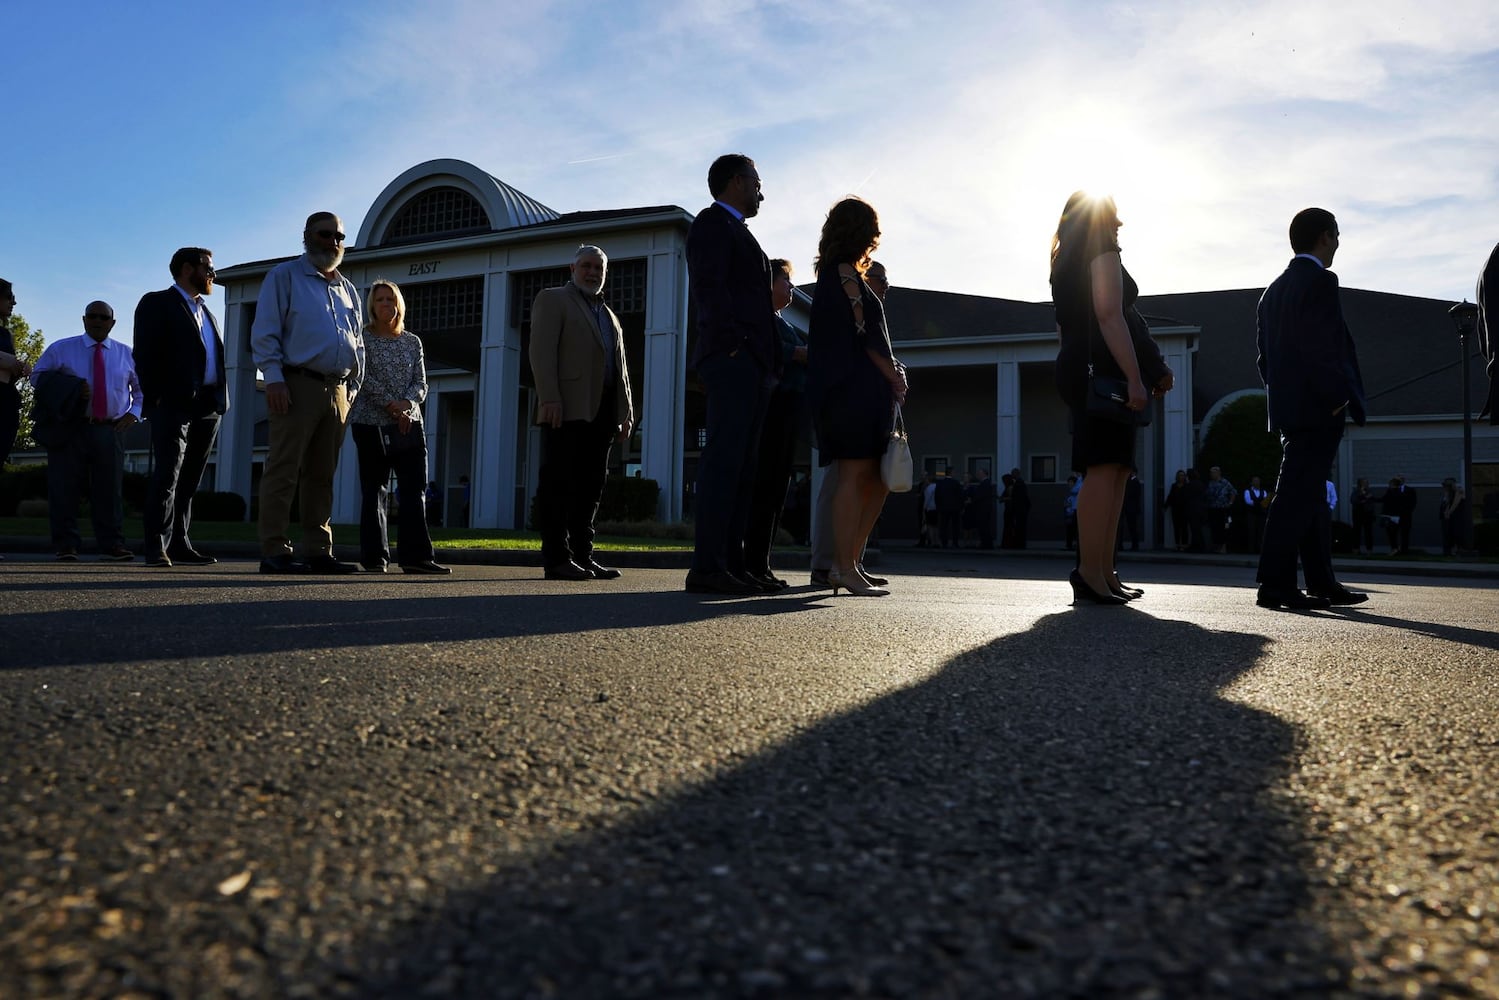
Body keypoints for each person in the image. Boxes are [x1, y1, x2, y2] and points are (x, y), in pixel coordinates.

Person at [1049, 191, 1172, 605]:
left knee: (1116, 471)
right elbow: (1110, 314)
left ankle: (1104, 572)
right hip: (1101, 371)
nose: (1120, 223)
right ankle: (1089, 573)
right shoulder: (1100, 248)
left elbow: (1067, 329)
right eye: (1114, 215)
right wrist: (1136, 377)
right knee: (1105, 470)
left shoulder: (1064, 258)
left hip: (1082, 367)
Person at [1254, 207, 1368, 609]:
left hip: (1289, 407)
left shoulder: (1272, 291)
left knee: (1311, 493)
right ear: (1324, 236)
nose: (1337, 244)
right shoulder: (1321, 281)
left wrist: (1285, 395)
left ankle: (1322, 581)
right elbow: (1322, 346)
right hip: (1320, 406)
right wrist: (1337, 397)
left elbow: (1265, 359)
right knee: (1295, 494)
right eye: (1336, 236)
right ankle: (1274, 584)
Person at [683, 154, 780, 596]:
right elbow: (709, 288)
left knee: (744, 468)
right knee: (724, 463)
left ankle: (735, 566)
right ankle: (707, 566)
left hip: (754, 366)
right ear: (737, 181)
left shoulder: (741, 232)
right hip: (731, 360)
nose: (762, 191)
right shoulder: (710, 225)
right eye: (757, 182)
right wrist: (733, 346)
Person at [251, 211, 364, 574]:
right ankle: (275, 550)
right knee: (283, 469)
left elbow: (357, 343)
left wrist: (353, 388)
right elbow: (266, 331)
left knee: (322, 475)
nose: (333, 242)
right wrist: (274, 378)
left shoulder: (347, 289)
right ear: (307, 236)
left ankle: (318, 551)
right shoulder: (284, 277)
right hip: (295, 383)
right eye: (325, 234)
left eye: (339, 236)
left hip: (338, 391)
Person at [806, 197, 906, 596]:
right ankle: (843, 566)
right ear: (860, 231)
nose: (876, 237)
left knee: (877, 479)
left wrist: (891, 377)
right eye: (872, 229)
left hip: (863, 393)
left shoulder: (847, 276)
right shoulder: (845, 274)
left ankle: (848, 561)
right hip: (850, 392)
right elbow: (865, 339)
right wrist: (895, 377)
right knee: (853, 476)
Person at [529, 245, 633, 581]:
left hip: (602, 412)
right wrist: (549, 398)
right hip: (565, 408)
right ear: (572, 268)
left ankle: (584, 557)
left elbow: (620, 368)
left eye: (599, 269)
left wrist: (626, 411)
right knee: (558, 484)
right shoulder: (553, 298)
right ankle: (557, 559)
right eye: (587, 266)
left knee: (591, 487)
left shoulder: (609, 315)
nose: (593, 273)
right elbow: (541, 352)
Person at [132, 248, 228, 567]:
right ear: (188, 269)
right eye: (208, 268)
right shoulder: (157, 302)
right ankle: (155, 545)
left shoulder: (207, 312)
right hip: (172, 403)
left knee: (189, 479)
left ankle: (178, 543)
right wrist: (154, 395)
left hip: (208, 405)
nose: (213, 274)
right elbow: (144, 352)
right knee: (168, 474)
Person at [348, 278, 448, 575]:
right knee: (374, 491)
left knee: (414, 490)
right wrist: (390, 405)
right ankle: (375, 558)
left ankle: (417, 557)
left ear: (399, 304)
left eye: (391, 299)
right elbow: (362, 377)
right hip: (370, 424)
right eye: (380, 300)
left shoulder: (411, 341)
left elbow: (421, 383)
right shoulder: (362, 339)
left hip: (409, 425)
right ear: (372, 306)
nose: (386, 305)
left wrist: (405, 404)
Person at [29, 302, 142, 561]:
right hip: (70, 427)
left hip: (110, 428)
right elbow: (37, 377)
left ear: (113, 323)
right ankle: (66, 544)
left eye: (103, 317)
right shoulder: (62, 349)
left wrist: (133, 414)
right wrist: (71, 388)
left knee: (109, 490)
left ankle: (112, 544)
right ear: (83, 319)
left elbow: (140, 390)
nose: (97, 321)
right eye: (92, 316)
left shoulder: (127, 354)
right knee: (64, 487)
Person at [810, 259, 891, 587]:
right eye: (879, 278)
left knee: (868, 482)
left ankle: (851, 561)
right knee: (840, 484)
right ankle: (827, 564)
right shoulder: (845, 291)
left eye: (887, 280)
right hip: (849, 405)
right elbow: (859, 347)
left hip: (868, 403)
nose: (885, 285)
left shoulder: (872, 308)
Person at [744, 258, 806, 589]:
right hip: (771, 410)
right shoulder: (759, 319)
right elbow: (763, 350)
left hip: (787, 411)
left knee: (776, 489)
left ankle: (761, 564)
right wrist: (798, 353)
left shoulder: (781, 320)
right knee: (764, 488)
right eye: (787, 281)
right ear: (769, 283)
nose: (791, 287)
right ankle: (752, 564)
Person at [0, 279, 30, 466]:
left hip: (5, 403)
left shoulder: (6, 335)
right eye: (9, 297)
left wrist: (19, 369)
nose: (13, 303)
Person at [1380, 475, 1416, 554]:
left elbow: (1412, 503)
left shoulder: (1410, 490)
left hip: (1405, 516)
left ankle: (1404, 550)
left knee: (1405, 534)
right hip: (1394, 515)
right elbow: (1386, 500)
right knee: (1392, 532)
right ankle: (1395, 549)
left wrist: (1406, 512)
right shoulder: (1391, 490)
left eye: (1400, 479)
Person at [1205, 466, 1235, 553]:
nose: (1211, 474)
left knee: (1225, 527)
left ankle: (1223, 547)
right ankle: (1216, 546)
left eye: (1213, 472)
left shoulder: (1225, 482)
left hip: (1223, 510)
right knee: (1214, 528)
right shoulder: (1210, 483)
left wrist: (1230, 503)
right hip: (1213, 509)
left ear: (1218, 473)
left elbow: (1233, 492)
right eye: (1210, 473)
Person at [934, 471, 964, 549]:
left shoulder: (940, 483)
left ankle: (944, 543)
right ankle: (955, 543)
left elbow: (937, 496)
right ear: (952, 473)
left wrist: (938, 507)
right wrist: (961, 507)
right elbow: (960, 496)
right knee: (955, 526)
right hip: (955, 509)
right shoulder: (956, 483)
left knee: (943, 526)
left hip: (943, 508)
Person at [1242, 475, 1270, 554]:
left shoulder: (1263, 491)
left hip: (1261, 514)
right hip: (1251, 514)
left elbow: (1265, 503)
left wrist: (1258, 503)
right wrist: (1260, 503)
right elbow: (1248, 502)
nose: (1256, 482)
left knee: (1261, 532)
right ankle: (1251, 550)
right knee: (1251, 531)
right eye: (1254, 480)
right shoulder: (1247, 491)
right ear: (1251, 482)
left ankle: (1260, 549)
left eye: (1258, 481)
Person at [1164, 469, 1191, 551]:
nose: (1181, 477)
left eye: (1183, 475)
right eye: (1179, 475)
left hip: (1184, 510)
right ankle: (1177, 544)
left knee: (1184, 527)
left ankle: (1184, 544)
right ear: (1177, 477)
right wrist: (1165, 506)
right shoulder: (1174, 486)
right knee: (1176, 527)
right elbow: (1170, 496)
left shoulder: (1187, 486)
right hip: (1175, 509)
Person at [970, 467, 997, 549]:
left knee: (983, 527)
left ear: (984, 474)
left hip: (983, 509)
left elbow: (980, 495)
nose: (978, 475)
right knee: (984, 526)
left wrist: (972, 500)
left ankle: (986, 544)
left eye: (979, 473)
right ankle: (986, 543)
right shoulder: (986, 483)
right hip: (984, 508)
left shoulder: (985, 483)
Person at [1439, 477, 1467, 556]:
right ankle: (1448, 551)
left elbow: (1455, 503)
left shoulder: (1459, 490)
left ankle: (1458, 550)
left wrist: (1449, 512)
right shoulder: (1448, 493)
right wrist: (1446, 512)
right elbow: (1447, 503)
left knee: (1457, 533)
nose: (1446, 487)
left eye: (1448, 485)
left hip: (1457, 516)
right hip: (1448, 517)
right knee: (1447, 534)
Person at [1005, 467, 1031, 548]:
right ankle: (1020, 544)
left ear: (1016, 474)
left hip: (1020, 510)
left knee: (1020, 527)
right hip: (1022, 509)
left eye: (1013, 473)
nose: (1012, 475)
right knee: (1020, 527)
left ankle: (1019, 544)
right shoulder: (1020, 482)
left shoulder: (1018, 483)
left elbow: (1017, 497)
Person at [1349, 477, 1375, 555]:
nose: (1366, 484)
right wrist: (1363, 499)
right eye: (1364, 483)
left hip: (1367, 514)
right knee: (1357, 531)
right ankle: (1356, 549)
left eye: (1366, 483)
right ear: (1360, 484)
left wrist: (1364, 499)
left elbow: (1371, 502)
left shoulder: (1369, 491)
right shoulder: (1356, 492)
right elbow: (1353, 501)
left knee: (1368, 532)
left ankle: (1369, 550)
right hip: (1357, 514)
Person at [1118, 467, 1143, 551]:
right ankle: (1121, 545)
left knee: (1132, 527)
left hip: (1130, 507)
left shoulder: (1134, 481)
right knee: (1125, 526)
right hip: (1127, 507)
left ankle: (1134, 545)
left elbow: (1134, 496)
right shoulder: (1129, 481)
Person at [1063, 473, 1081, 550]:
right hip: (1070, 513)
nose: (1069, 484)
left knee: (1074, 529)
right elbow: (1067, 503)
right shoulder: (1071, 493)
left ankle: (1073, 544)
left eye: (1071, 482)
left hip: (1075, 511)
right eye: (1069, 482)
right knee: (1069, 529)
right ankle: (1069, 544)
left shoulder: (1077, 491)